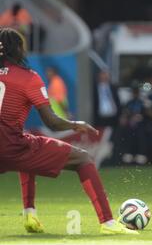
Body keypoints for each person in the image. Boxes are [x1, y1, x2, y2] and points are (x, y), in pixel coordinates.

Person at [0, 28, 136, 234]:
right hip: (11, 147)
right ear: (18, 48)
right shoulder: (28, 78)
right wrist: (75, 124)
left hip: (11, 145)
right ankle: (107, 222)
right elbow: (52, 123)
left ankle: (30, 214)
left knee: (29, 144)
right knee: (83, 159)